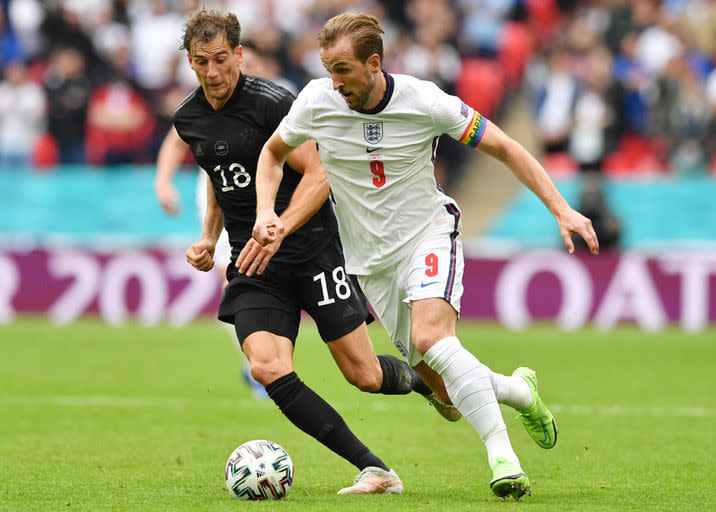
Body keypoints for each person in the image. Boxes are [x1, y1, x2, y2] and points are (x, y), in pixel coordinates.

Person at [250, 12, 600, 500]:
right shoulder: (316, 101)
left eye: (344, 69)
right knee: (444, 390)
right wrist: (267, 209)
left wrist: (561, 209)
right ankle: (520, 391)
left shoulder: (425, 101)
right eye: (328, 68)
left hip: (428, 235)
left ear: (374, 63)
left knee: (432, 336)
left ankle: (503, 459)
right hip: (371, 263)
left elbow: (504, 146)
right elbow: (271, 153)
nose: (335, 81)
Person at [171, 9, 458, 496]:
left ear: (239, 54)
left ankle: (420, 382)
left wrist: (280, 227)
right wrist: (207, 236)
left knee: (364, 375)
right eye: (201, 62)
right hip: (254, 260)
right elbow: (223, 180)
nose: (212, 72)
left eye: (221, 59)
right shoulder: (189, 119)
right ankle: (375, 469)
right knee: (266, 366)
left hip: (314, 251)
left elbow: (319, 174)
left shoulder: (274, 104)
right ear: (190, 63)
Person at [155, 38, 274, 398]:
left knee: (269, 275)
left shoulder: (274, 101)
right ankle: (256, 361)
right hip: (217, 193)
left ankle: (266, 358)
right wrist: (163, 182)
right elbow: (176, 140)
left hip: (268, 195)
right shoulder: (206, 102)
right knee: (234, 274)